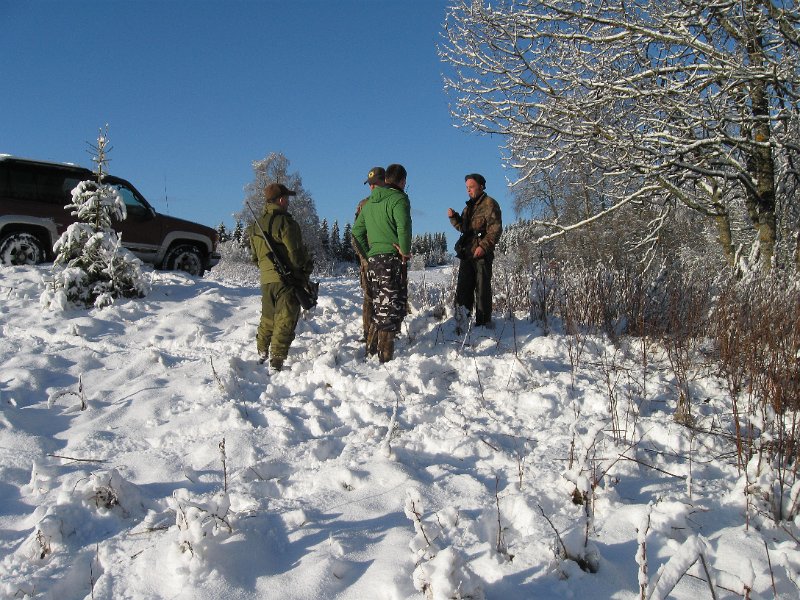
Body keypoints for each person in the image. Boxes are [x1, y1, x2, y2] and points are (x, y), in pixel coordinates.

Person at [248, 182, 314, 371]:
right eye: (287, 199)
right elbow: (296, 254)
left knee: (268, 318)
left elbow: (255, 257)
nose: (288, 203)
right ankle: (276, 360)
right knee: (285, 319)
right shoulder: (286, 223)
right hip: (287, 279)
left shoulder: (255, 226)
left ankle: (261, 350)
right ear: (281, 199)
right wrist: (305, 269)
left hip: (266, 280)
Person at [352, 163, 412, 362]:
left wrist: (370, 254)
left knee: (379, 309)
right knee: (389, 311)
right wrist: (404, 251)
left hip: (374, 263)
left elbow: (356, 232)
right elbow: (403, 227)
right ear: (402, 181)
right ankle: (384, 360)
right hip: (391, 261)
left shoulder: (368, 204)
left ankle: (370, 351)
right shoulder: (399, 199)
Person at [447, 173, 502, 328]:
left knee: (482, 290)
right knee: (463, 289)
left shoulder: (490, 204)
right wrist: (454, 217)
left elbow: (495, 230)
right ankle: (461, 323)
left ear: (481, 186)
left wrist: (483, 247)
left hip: (481, 256)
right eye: (467, 188)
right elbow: (464, 229)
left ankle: (483, 325)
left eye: (471, 187)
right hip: (467, 253)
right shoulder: (468, 208)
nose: (468, 191)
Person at [352, 166, 385, 342]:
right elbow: (356, 234)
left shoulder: (392, 200)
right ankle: (368, 335)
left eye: (376, 183)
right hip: (369, 259)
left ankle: (386, 334)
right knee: (369, 298)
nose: (372, 187)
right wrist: (365, 258)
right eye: (370, 184)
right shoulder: (363, 205)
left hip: (388, 258)